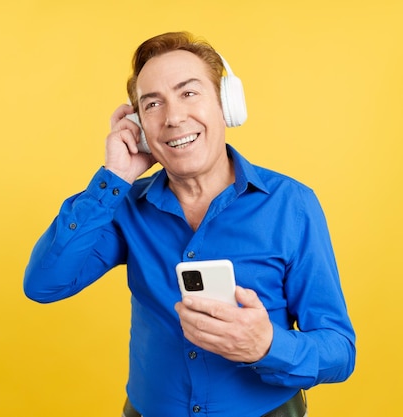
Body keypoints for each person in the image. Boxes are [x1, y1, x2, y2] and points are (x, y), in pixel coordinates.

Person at [24, 31, 356, 417]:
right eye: (152, 104)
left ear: (226, 105)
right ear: (139, 125)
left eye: (189, 93)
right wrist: (115, 175)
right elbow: (44, 284)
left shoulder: (292, 205)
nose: (173, 117)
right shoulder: (124, 206)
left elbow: (339, 350)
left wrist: (267, 345)